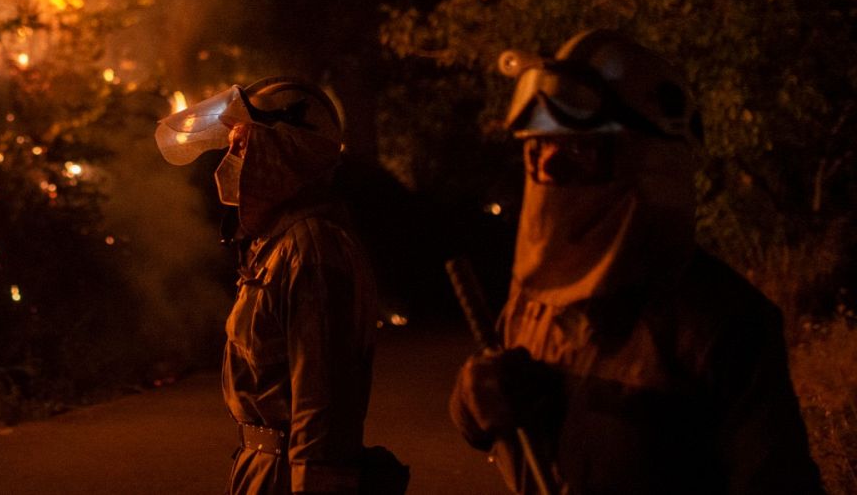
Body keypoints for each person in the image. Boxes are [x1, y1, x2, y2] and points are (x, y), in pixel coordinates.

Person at [450, 29, 824, 494]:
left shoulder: (722, 325)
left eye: (580, 150)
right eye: (539, 149)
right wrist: (474, 405)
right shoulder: (534, 304)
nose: (549, 170)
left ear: (649, 162)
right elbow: (492, 426)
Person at [157, 77, 406, 495]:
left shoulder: (311, 249)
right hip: (264, 468)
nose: (232, 156)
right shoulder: (279, 244)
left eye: (243, 142)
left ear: (288, 151)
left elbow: (321, 403)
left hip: (288, 475)